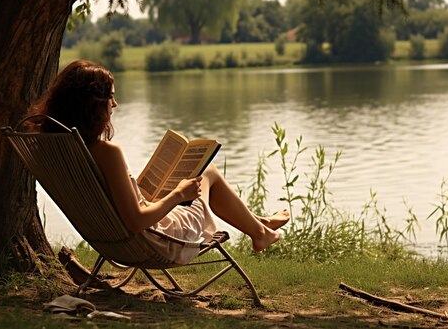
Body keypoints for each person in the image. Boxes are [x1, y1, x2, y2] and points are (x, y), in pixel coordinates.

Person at [28, 59, 288, 264]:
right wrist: (177, 194)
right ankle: (260, 232)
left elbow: (118, 205)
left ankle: (259, 224)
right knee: (207, 171)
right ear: (92, 105)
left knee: (189, 178)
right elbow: (137, 221)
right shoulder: (107, 152)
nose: (115, 104)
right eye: (111, 98)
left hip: (108, 238)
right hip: (161, 240)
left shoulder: (58, 147)